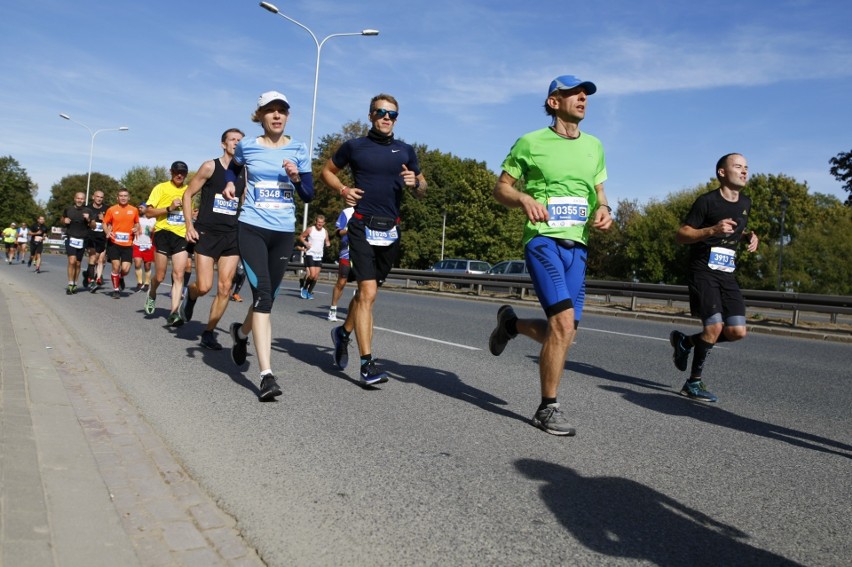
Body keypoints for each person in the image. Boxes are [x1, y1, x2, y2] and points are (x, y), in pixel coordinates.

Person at [488, 75, 612, 436]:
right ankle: (548, 407)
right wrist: (524, 198)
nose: (582, 98)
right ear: (553, 102)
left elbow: (599, 191)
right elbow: (501, 188)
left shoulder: (595, 146)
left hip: (580, 245)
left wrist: (605, 209)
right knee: (560, 325)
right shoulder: (531, 142)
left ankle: (511, 325)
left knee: (565, 333)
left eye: (586, 94)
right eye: (574, 93)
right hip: (543, 241)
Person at [321, 93, 427, 386]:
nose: (386, 117)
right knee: (367, 293)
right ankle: (367, 364)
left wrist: (416, 183)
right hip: (361, 226)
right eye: (380, 112)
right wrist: (343, 190)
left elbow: (423, 185)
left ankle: (342, 334)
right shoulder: (354, 147)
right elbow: (326, 172)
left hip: (390, 230)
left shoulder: (406, 151)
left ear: (396, 118)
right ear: (370, 115)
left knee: (367, 295)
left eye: (391, 114)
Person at [221, 90, 313, 401]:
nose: (276, 115)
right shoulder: (247, 146)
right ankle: (265, 375)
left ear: (287, 116)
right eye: (270, 111)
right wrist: (231, 182)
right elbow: (233, 168)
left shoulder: (299, 149)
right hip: (252, 228)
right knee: (261, 295)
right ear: (259, 116)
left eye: (282, 111)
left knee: (267, 299)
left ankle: (240, 333)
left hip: (283, 232)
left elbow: (310, 195)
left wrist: (297, 178)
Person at [669, 153, 759, 403]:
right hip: (703, 272)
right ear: (722, 172)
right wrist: (711, 230)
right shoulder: (706, 202)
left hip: (727, 274)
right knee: (714, 327)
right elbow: (681, 235)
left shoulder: (746, 202)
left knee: (736, 331)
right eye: (738, 167)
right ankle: (693, 383)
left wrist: (750, 236)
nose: (744, 172)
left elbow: (735, 230)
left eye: (746, 168)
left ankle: (686, 342)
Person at [179, 128, 246, 350]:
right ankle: (191, 293)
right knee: (205, 286)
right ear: (223, 144)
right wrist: (189, 225)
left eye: (240, 140)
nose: (236, 143)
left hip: (232, 235)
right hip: (207, 232)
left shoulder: (245, 173)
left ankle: (209, 332)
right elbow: (187, 194)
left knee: (225, 287)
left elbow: (243, 202)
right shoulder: (210, 166)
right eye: (232, 139)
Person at [143, 161, 191, 326]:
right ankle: (152, 292)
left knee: (179, 274)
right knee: (161, 275)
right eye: (177, 172)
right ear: (171, 172)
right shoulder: (161, 188)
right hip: (163, 234)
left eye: (183, 173)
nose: (180, 175)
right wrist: (169, 208)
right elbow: (148, 212)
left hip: (181, 235)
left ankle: (174, 312)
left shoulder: (189, 190)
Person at [103, 188, 140, 299]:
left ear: (128, 197)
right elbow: (105, 223)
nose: (123, 198)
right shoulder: (112, 209)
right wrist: (107, 232)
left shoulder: (134, 210)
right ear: (117, 197)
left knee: (125, 269)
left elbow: (137, 223)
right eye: (121, 196)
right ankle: (116, 290)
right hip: (114, 242)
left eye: (125, 196)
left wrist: (136, 228)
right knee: (116, 266)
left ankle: (120, 277)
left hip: (128, 244)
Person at [62, 192, 93, 294]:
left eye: (82, 199)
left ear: (84, 200)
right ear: (74, 199)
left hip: (82, 239)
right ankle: (70, 283)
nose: (80, 200)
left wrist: (88, 219)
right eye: (78, 198)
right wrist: (64, 220)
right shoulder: (68, 209)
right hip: (70, 237)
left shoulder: (88, 210)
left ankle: (75, 282)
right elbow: (62, 218)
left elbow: (94, 226)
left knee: (78, 263)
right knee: (72, 260)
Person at [327, 206, 355, 321]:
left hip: (363, 252)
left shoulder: (370, 210)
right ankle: (333, 309)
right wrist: (351, 230)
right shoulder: (347, 212)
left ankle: (356, 309)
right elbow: (338, 231)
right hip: (347, 252)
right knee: (342, 282)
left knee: (364, 283)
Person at [298, 215, 330, 300]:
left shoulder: (325, 231)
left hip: (319, 255)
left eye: (321, 222)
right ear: (316, 222)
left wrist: (328, 243)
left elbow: (327, 240)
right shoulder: (310, 229)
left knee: (316, 276)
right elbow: (301, 237)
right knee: (312, 274)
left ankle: (309, 292)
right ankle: (304, 289)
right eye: (318, 222)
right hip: (310, 254)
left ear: (324, 223)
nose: (320, 224)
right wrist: (305, 243)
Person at [85, 190, 108, 290]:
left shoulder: (107, 209)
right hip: (90, 236)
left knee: (101, 260)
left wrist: (104, 219)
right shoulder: (87, 208)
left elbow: (110, 222)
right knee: (93, 257)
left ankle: (96, 276)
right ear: (93, 197)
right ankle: (92, 280)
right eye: (97, 197)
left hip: (102, 237)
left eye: (101, 197)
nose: (99, 199)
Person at [133, 203, 156, 292]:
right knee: (137, 263)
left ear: (147, 209)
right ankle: (139, 283)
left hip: (148, 245)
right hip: (137, 243)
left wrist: (153, 230)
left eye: (141, 207)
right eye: (139, 207)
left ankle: (146, 283)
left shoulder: (153, 219)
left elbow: (157, 230)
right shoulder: (137, 218)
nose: (139, 209)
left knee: (147, 265)